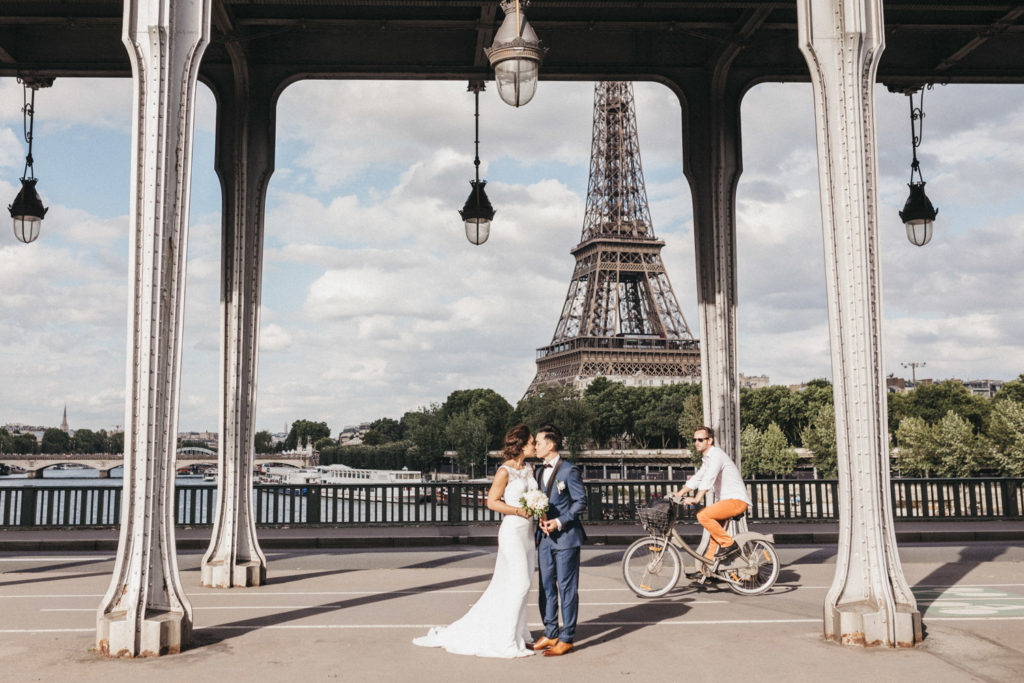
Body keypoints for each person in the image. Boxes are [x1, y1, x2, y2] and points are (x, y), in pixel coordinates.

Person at [413, 423, 538, 658]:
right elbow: (492, 502)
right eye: (532, 441)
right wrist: (519, 511)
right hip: (512, 530)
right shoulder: (505, 471)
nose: (535, 445)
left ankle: (519, 633)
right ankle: (507, 640)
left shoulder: (529, 469)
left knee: (520, 584)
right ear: (521, 444)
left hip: (528, 534)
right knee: (519, 583)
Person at [532, 424, 586, 657]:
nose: (535, 446)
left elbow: (580, 501)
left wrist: (560, 521)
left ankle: (567, 637)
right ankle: (551, 630)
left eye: (538, 442)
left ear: (551, 445)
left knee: (566, 587)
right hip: (544, 538)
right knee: (545, 587)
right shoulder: (536, 471)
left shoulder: (569, 471)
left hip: (565, 537)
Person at [671, 425, 750, 563]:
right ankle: (706, 571)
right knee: (714, 539)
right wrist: (677, 494)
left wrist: (696, 498)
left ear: (710, 440)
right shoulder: (708, 459)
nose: (696, 442)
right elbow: (698, 478)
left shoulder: (716, 456)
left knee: (703, 515)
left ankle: (729, 545)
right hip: (727, 501)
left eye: (700, 439)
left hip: (736, 500)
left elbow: (709, 478)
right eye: (694, 440)